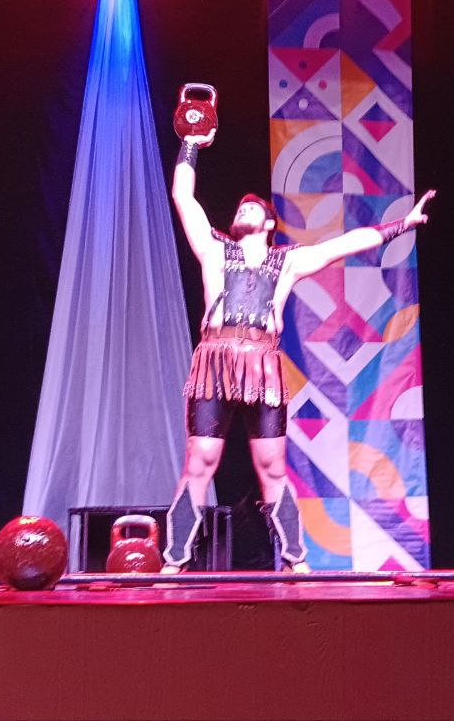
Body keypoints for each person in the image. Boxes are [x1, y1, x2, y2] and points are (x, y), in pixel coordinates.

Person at [162, 125, 435, 573]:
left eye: (253, 207)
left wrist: (402, 224)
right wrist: (192, 142)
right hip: (215, 361)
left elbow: (343, 244)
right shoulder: (213, 248)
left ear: (269, 224)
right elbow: (183, 197)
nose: (244, 208)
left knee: (272, 467)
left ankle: (295, 559)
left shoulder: (287, 260)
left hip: (263, 367)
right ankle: (174, 560)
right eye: (241, 207)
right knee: (200, 462)